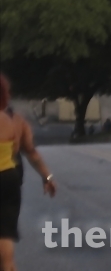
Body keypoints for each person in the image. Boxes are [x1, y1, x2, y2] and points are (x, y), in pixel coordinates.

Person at [0, 73, 56, 271]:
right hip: (8, 179)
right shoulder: (14, 121)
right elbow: (29, 152)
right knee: (5, 233)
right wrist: (47, 177)